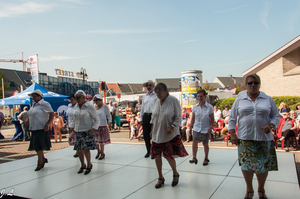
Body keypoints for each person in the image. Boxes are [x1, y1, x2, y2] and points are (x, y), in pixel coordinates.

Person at [228, 74, 280, 199]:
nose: (253, 85)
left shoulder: (267, 99)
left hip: (263, 138)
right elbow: (232, 118)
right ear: (246, 85)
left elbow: (276, 116)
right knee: (246, 165)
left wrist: (271, 125)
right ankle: (249, 189)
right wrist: (233, 134)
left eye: (255, 83)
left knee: (263, 166)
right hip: (245, 138)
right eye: (250, 83)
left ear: (259, 84)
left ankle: (261, 189)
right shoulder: (240, 99)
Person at [150, 83, 188, 188]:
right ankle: (160, 177)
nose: (158, 95)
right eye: (156, 93)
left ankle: (175, 173)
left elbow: (178, 117)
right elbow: (154, 117)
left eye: (160, 93)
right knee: (157, 156)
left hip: (169, 134)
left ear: (166, 91)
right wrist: (152, 129)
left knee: (169, 156)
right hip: (157, 133)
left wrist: (172, 127)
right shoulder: (155, 101)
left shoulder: (173, 100)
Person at [69, 90, 100, 175]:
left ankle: (89, 165)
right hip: (78, 130)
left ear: (83, 98)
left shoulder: (89, 106)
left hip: (87, 130)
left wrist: (93, 128)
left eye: (78, 97)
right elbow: (75, 119)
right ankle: (82, 165)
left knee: (86, 149)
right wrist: (71, 126)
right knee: (78, 150)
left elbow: (96, 119)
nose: (77, 99)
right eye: (76, 98)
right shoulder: (76, 107)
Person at [26, 89, 54, 171]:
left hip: (41, 127)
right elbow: (31, 114)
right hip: (33, 127)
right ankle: (42, 158)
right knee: (36, 145)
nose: (33, 98)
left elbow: (51, 113)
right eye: (33, 97)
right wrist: (28, 119)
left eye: (35, 96)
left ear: (40, 96)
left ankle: (40, 162)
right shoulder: (34, 104)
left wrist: (48, 124)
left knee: (39, 146)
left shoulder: (44, 104)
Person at [189, 89, 214, 166]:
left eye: (201, 96)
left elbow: (212, 119)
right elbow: (193, 118)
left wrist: (211, 127)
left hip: (206, 128)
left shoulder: (209, 107)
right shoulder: (195, 107)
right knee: (194, 141)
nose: (200, 98)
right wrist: (190, 127)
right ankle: (194, 157)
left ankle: (206, 158)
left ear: (205, 96)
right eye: (198, 96)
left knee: (205, 143)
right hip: (196, 127)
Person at [140, 80, 157, 158]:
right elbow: (142, 108)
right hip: (146, 116)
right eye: (147, 85)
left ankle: (154, 152)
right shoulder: (144, 96)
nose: (148, 86)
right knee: (146, 135)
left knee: (153, 135)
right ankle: (148, 151)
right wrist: (141, 118)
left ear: (153, 86)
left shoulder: (156, 95)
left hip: (153, 115)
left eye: (150, 85)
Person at [93, 94, 112, 160]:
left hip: (102, 125)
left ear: (100, 100)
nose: (95, 102)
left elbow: (109, 115)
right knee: (96, 140)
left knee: (101, 141)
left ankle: (102, 152)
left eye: (97, 100)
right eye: (94, 100)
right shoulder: (94, 107)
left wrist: (110, 122)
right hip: (96, 125)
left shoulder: (104, 106)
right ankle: (98, 151)